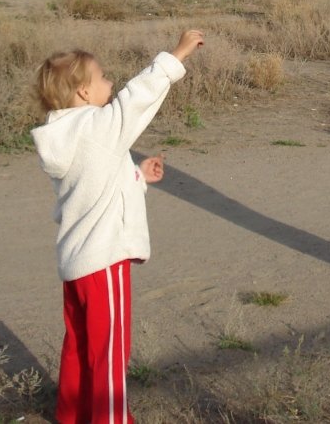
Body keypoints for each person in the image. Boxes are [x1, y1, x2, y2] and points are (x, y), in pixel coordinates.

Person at [32, 28, 205, 423]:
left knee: (79, 345)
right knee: (110, 350)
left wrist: (138, 176)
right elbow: (136, 99)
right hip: (104, 261)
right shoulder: (97, 128)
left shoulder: (63, 135)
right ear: (82, 93)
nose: (111, 82)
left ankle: (71, 415)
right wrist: (176, 55)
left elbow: (93, 188)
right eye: (103, 77)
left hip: (76, 264)